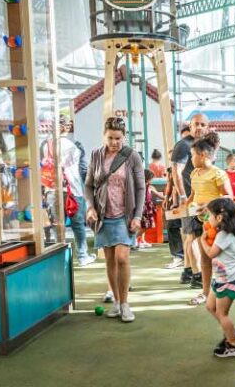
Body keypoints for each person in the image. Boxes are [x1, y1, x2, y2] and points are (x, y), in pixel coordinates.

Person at [84, 116, 145, 323]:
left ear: (124, 137)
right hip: (102, 215)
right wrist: (90, 207)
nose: (114, 142)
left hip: (124, 215)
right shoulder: (96, 155)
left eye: (118, 138)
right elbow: (88, 185)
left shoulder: (132, 156)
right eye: (110, 138)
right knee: (109, 260)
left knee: (122, 258)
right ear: (104, 136)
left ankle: (126, 303)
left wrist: (137, 215)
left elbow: (140, 187)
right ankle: (117, 302)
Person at [41, 115, 96, 266]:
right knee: (78, 224)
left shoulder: (46, 145)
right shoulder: (74, 146)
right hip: (73, 189)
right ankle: (83, 256)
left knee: (57, 225)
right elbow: (82, 168)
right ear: (67, 127)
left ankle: (59, 257)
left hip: (52, 189)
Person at [186, 132, 233, 306]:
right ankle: (205, 292)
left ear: (203, 155)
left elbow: (229, 197)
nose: (191, 160)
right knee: (205, 258)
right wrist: (183, 206)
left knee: (220, 259)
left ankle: (225, 289)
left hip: (217, 224)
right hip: (200, 221)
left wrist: (209, 203)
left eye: (192, 156)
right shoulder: (194, 174)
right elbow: (193, 195)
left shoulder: (218, 174)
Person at [198, 197, 235, 358]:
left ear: (219, 218)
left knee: (222, 314)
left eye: (210, 215)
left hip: (228, 280)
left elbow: (211, 253)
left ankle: (234, 345)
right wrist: (203, 215)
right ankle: (232, 331)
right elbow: (207, 221)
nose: (208, 218)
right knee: (210, 307)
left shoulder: (224, 234)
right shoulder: (221, 228)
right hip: (220, 277)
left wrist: (202, 240)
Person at [172, 116, 209, 286]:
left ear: (208, 127)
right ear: (190, 126)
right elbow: (176, 172)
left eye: (203, 124)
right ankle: (197, 276)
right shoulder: (183, 145)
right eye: (196, 124)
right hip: (189, 199)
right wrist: (181, 197)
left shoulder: (204, 146)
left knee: (191, 236)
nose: (199, 127)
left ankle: (187, 271)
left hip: (202, 199)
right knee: (193, 236)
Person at [163, 165, 184, 269]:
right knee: (172, 225)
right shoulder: (172, 170)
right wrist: (167, 197)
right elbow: (171, 185)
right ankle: (178, 256)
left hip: (192, 204)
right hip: (178, 206)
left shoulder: (190, 168)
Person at [136, 169, 159, 249]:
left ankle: (141, 241)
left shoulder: (150, 187)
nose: (152, 180)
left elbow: (159, 195)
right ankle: (134, 239)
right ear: (147, 178)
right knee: (144, 226)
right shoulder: (141, 186)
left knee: (145, 225)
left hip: (148, 208)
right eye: (151, 178)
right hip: (143, 208)